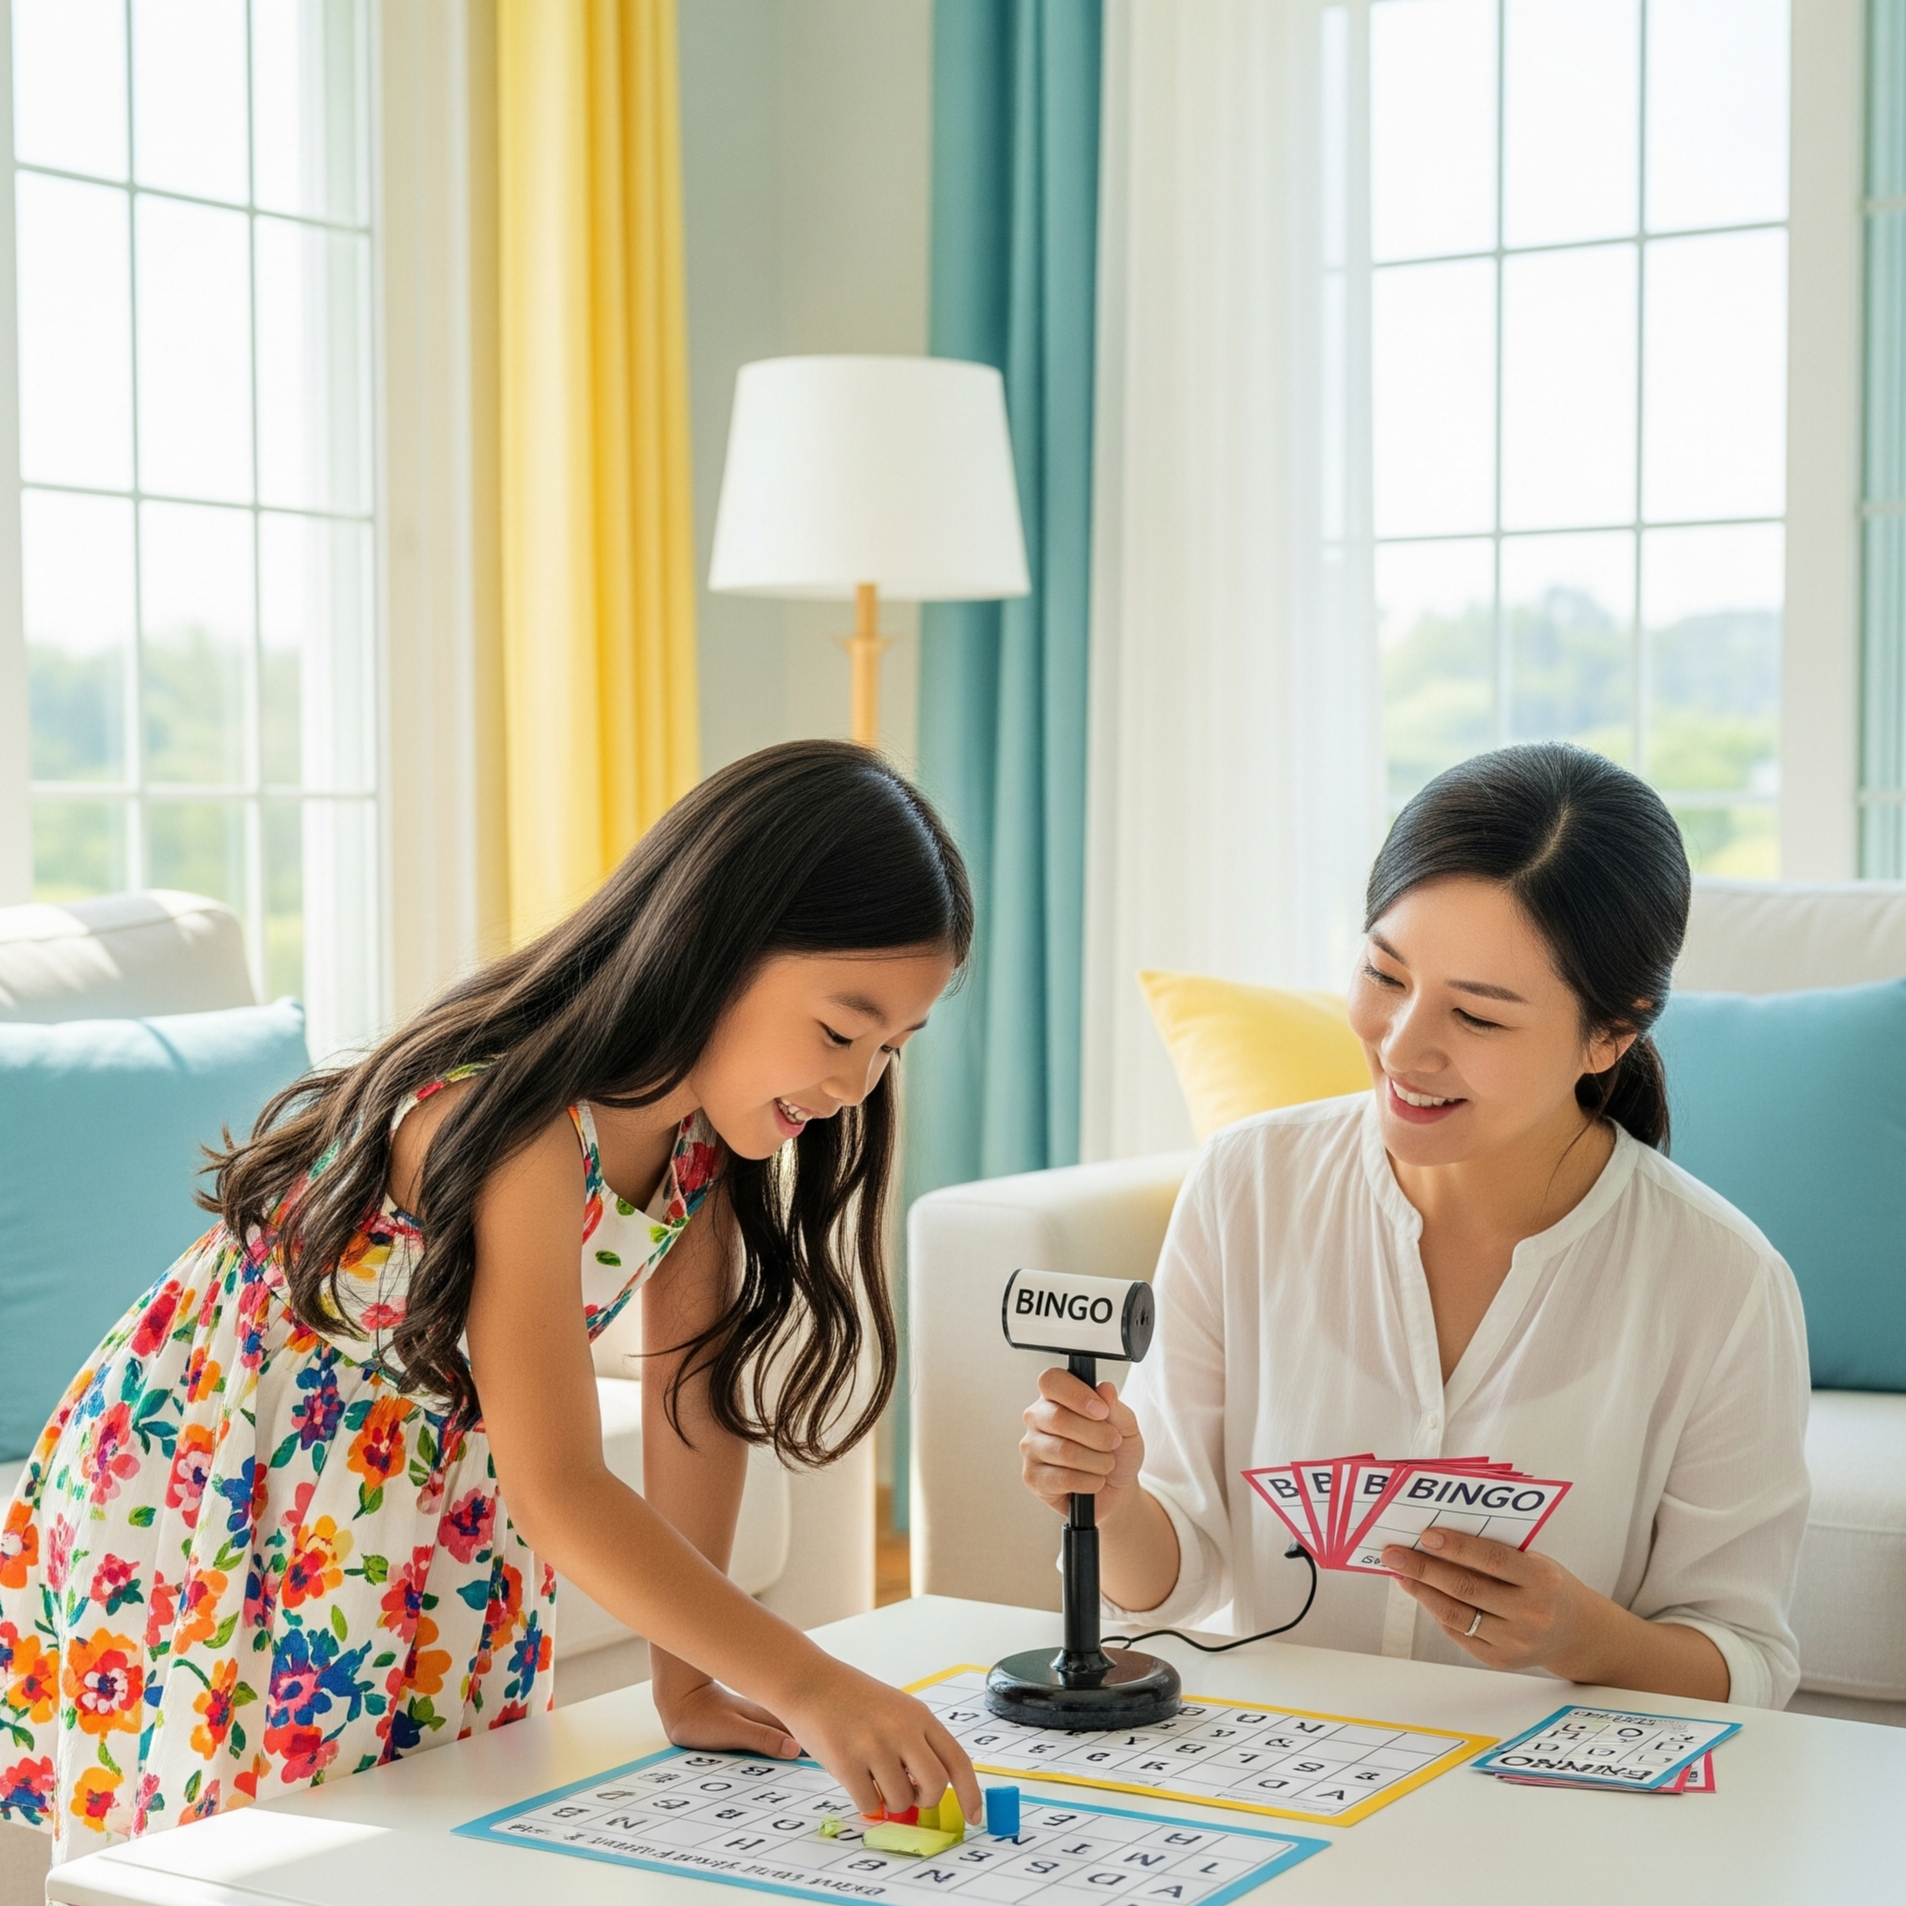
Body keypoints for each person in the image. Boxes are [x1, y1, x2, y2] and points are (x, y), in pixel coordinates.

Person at [1, 740, 983, 1856]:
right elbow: (559, 1483)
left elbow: (691, 1399)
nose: (856, 1083)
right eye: (840, 1030)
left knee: (424, 1841)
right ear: (716, 948)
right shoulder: (511, 1129)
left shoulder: (701, 1139)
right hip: (231, 1473)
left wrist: (691, 1680)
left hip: (421, 1487)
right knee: (244, 1849)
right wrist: (811, 1680)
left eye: (891, 1048)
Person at [1020, 743, 1810, 1707]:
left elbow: (1749, 1664)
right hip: (1283, 1767)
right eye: (1386, 977)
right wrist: (1110, 1503)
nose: (1404, 1047)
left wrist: (1582, 1634)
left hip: (1542, 1807)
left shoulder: (1719, 1278)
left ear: (1614, 1032)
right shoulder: (1248, 1183)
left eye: (1477, 1017)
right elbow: (1177, 1578)